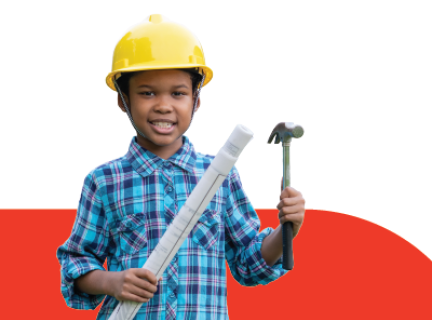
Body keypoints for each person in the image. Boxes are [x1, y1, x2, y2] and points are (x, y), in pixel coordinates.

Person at [56, 14, 305, 320]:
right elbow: (76, 264)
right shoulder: (104, 181)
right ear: (123, 99)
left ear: (196, 99)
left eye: (178, 93)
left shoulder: (221, 176)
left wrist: (286, 229)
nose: (163, 105)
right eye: (147, 92)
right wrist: (111, 282)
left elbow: (249, 262)